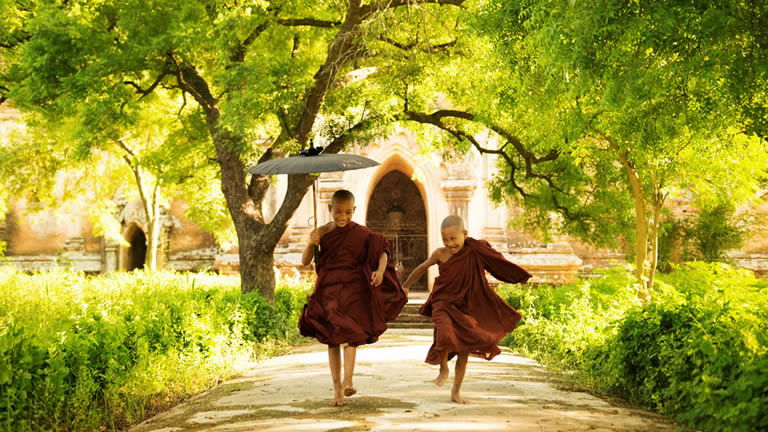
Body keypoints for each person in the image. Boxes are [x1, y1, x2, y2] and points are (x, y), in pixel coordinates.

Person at [401, 215, 531, 404]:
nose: (449, 243)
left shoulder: (475, 251)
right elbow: (421, 268)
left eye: (453, 238)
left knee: (463, 350)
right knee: (444, 333)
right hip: (443, 303)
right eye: (445, 239)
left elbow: (498, 263)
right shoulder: (440, 253)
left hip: (465, 306)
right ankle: (443, 368)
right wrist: (405, 286)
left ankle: (456, 391)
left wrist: (518, 276)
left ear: (465, 234)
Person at [298, 189, 407, 406]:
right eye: (338, 212)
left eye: (348, 212)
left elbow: (382, 250)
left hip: (353, 290)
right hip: (328, 289)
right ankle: (337, 389)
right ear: (330, 209)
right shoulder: (322, 232)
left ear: (354, 211)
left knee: (352, 334)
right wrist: (311, 243)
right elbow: (305, 261)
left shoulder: (361, 233)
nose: (343, 217)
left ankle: (348, 381)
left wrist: (380, 270)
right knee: (331, 339)